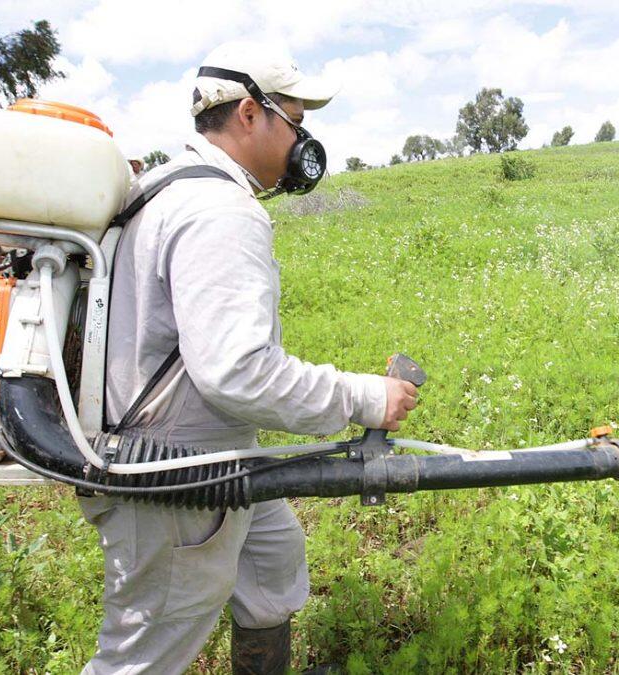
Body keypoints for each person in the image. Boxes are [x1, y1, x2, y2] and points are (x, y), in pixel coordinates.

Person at [79, 43, 419, 675]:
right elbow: (236, 371)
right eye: (294, 120)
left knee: (271, 559)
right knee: (142, 655)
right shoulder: (219, 211)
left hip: (207, 447)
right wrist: (368, 397)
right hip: (173, 467)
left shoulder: (165, 185)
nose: (302, 138)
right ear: (247, 114)